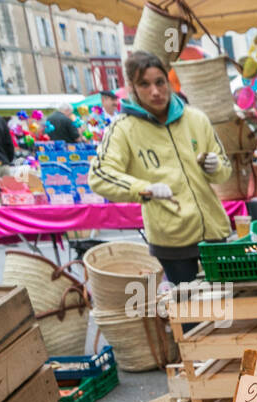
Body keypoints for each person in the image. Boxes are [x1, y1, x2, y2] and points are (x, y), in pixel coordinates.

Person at [91, 51, 233, 284]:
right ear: (133, 89)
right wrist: (145, 188)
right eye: (144, 84)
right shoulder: (123, 128)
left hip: (214, 232)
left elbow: (225, 170)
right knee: (191, 314)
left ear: (168, 81)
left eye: (159, 82)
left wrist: (215, 166)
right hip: (172, 240)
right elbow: (99, 175)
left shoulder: (196, 118)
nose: (155, 91)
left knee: (227, 311)